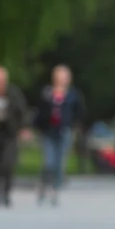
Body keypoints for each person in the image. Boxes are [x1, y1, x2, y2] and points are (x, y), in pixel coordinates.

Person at [33, 64, 85, 206]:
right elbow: (39, 113)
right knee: (49, 162)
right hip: (48, 132)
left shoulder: (73, 95)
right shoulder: (47, 93)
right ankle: (43, 185)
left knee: (59, 164)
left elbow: (79, 113)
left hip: (64, 132)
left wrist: (75, 126)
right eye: (59, 77)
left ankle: (55, 191)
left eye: (64, 77)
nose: (61, 80)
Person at [0, 65, 29, 207]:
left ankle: (6, 193)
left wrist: (24, 128)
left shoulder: (13, 93)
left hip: (9, 133)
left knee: (7, 163)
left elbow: (22, 111)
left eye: (1, 79)